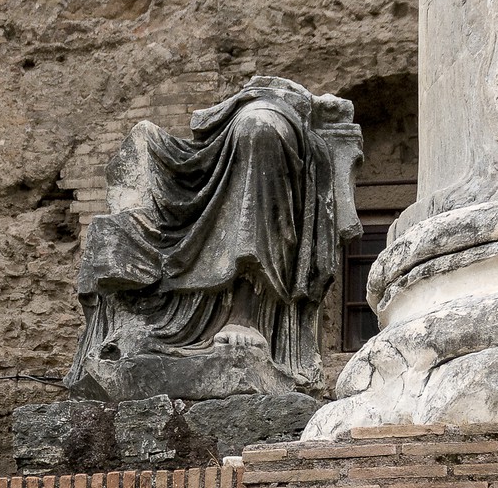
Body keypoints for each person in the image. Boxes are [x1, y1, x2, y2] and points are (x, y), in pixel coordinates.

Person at [66, 77, 361, 398]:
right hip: (228, 140)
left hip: (270, 124)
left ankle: (243, 314)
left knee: (259, 127)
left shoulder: (265, 122)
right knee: (144, 137)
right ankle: (134, 330)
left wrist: (305, 110)